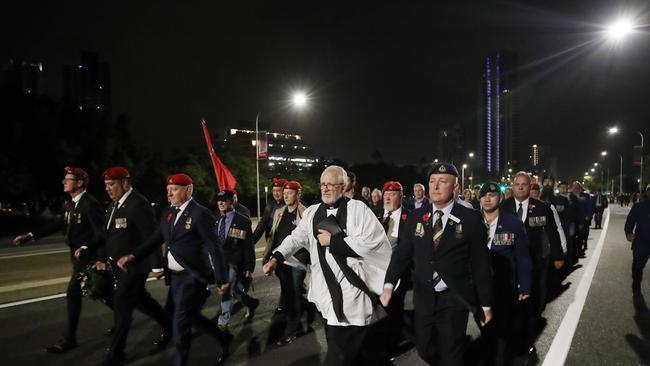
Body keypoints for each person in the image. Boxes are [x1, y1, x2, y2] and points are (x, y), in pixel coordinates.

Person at [263, 165, 392, 365]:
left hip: (351, 296)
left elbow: (374, 243)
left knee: (338, 356)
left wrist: (335, 242)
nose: (325, 188)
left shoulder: (358, 210)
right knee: (341, 348)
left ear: (343, 186)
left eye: (330, 184)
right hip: (325, 294)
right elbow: (296, 238)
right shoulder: (313, 212)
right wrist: (276, 257)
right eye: (323, 184)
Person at [381, 162, 493, 366]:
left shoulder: (470, 218)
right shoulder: (416, 216)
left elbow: (480, 264)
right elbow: (402, 255)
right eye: (432, 181)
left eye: (442, 182)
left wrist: (485, 304)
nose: (435, 186)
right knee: (425, 349)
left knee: (452, 354)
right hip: (424, 296)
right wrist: (389, 284)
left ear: (456, 188)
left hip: (454, 298)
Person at [117, 173, 231, 366]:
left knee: (180, 322)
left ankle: (180, 362)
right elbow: (156, 239)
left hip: (192, 276)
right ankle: (223, 339)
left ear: (188, 190)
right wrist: (133, 256)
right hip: (176, 278)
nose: (169, 194)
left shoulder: (200, 213)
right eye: (168, 190)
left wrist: (221, 278)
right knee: (191, 318)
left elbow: (215, 247)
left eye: (174, 189)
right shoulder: (168, 213)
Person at [13, 166, 109, 354]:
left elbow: (101, 234)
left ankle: (69, 339)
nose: (63, 182)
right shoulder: (71, 204)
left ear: (80, 183)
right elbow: (58, 224)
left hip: (88, 258)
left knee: (73, 293)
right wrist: (30, 235)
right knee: (104, 293)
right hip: (77, 256)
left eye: (68, 179)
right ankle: (125, 318)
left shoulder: (90, 204)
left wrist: (97, 256)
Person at [81, 167, 169, 366]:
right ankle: (169, 324)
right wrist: (90, 249)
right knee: (142, 301)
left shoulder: (138, 204)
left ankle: (116, 354)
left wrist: (157, 265)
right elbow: (106, 235)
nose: (108, 189)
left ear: (125, 183)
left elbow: (152, 235)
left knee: (122, 306)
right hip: (117, 266)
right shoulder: (114, 206)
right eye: (106, 185)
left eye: (111, 184)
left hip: (135, 267)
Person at [501, 171, 564, 360]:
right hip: (509, 266)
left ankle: (528, 343)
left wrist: (558, 256)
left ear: (530, 187)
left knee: (531, 306)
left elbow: (552, 233)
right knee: (511, 306)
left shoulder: (542, 207)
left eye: (524, 184)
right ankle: (511, 341)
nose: (520, 187)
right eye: (517, 184)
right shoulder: (503, 207)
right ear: (512, 186)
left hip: (534, 264)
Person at [478, 182, 532, 366]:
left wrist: (524, 285)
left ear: (500, 198)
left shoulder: (513, 223)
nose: (487, 198)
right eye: (483, 195)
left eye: (492, 195)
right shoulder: (471, 222)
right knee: (485, 328)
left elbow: (523, 256)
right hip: (478, 286)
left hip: (504, 285)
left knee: (502, 328)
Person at [262, 181, 312, 345]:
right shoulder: (279, 212)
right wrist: (268, 256)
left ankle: (292, 329)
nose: (286, 196)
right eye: (284, 193)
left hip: (298, 260)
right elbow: (273, 235)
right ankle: (299, 309)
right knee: (287, 291)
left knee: (294, 294)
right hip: (281, 258)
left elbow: (305, 240)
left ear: (298, 194)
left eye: (289, 193)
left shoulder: (306, 213)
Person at [374, 181, 411, 360]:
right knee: (377, 308)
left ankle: (391, 345)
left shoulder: (410, 217)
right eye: (386, 194)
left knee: (394, 309)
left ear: (401, 196)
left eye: (393, 194)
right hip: (374, 270)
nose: (388, 197)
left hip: (398, 272)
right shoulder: (376, 214)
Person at [215, 189, 259, 329]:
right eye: (219, 200)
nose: (221, 203)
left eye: (224, 200)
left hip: (234, 261)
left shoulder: (242, 221)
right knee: (232, 290)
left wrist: (249, 267)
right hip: (219, 262)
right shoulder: (215, 219)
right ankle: (251, 303)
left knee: (228, 289)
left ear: (231, 201)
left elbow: (247, 246)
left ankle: (224, 319)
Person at [625, 184, 650, 293]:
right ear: (647, 192)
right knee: (638, 265)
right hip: (641, 241)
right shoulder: (639, 206)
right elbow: (630, 222)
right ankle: (636, 281)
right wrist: (629, 232)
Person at [253, 178, 287, 245]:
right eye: (274, 190)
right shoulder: (270, 204)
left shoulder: (292, 205)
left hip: (287, 243)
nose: (275, 193)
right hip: (271, 242)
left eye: (278, 191)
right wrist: (252, 241)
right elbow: (263, 223)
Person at [570, 181, 593, 256]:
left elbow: (589, 206)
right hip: (572, 220)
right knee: (572, 236)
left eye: (578, 187)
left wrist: (588, 216)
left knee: (581, 235)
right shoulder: (570, 196)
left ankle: (579, 250)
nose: (576, 188)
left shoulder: (585, 196)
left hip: (582, 220)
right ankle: (573, 251)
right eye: (574, 187)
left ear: (580, 188)